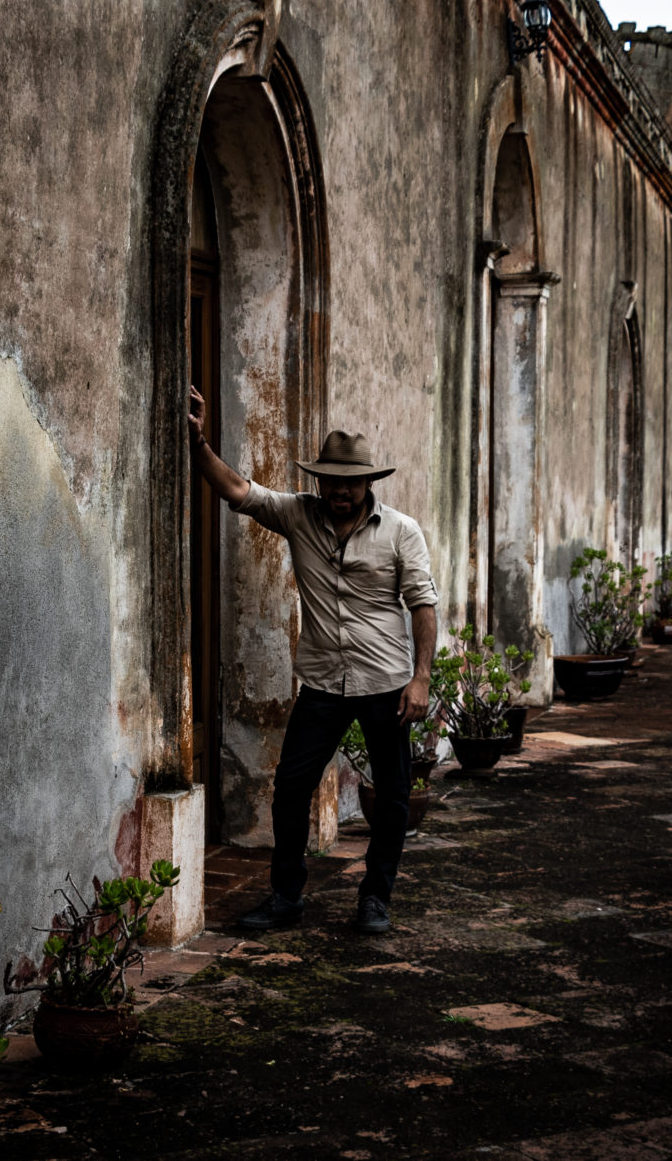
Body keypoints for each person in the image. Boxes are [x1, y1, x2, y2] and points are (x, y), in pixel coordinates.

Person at [187, 385, 438, 935]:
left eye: (350, 483)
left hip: (385, 685)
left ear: (368, 482)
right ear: (319, 480)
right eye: (331, 481)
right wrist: (199, 441)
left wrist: (420, 680)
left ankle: (375, 897)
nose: (340, 492)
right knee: (291, 788)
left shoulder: (401, 532)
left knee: (394, 797)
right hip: (323, 684)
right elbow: (238, 490)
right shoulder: (298, 515)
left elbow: (423, 605)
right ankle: (286, 896)